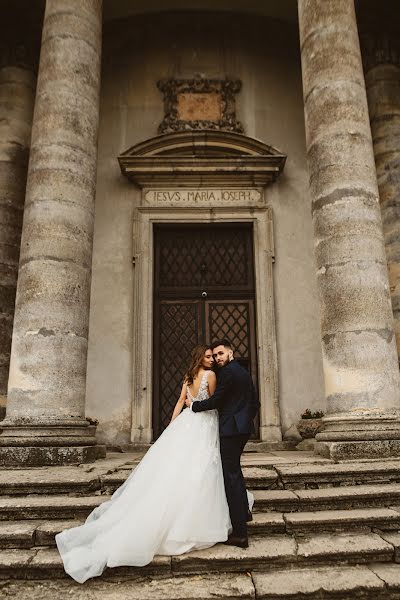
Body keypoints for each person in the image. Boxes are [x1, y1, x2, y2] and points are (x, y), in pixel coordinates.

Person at [56, 345, 232, 583]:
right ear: (200, 358)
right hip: (204, 423)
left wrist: (172, 427)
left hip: (187, 423)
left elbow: (180, 401)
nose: (212, 360)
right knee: (201, 469)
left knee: (182, 467)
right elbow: (212, 403)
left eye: (213, 356)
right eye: (208, 356)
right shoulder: (210, 376)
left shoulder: (188, 376)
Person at [186, 338, 260, 548]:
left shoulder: (227, 373)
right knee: (235, 471)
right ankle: (244, 514)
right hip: (241, 429)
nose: (217, 358)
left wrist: (193, 406)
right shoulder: (242, 371)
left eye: (220, 354)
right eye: (215, 355)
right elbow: (255, 403)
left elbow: (215, 401)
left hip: (230, 430)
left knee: (231, 478)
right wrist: (244, 419)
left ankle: (240, 533)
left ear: (230, 352)